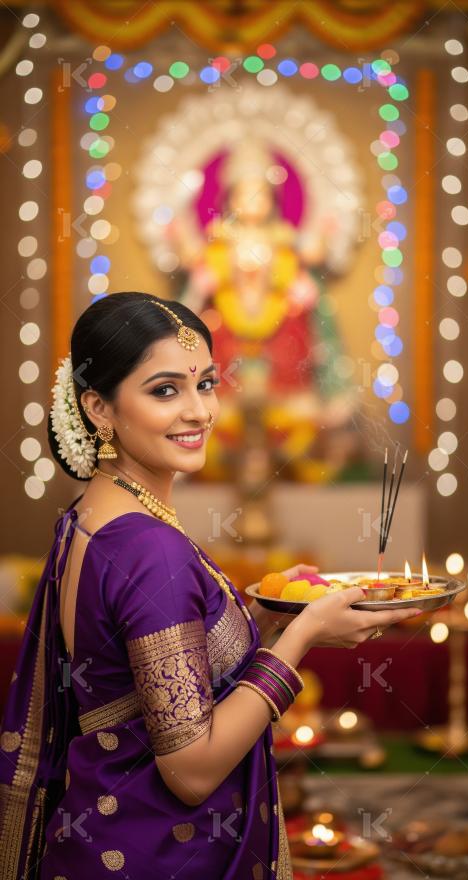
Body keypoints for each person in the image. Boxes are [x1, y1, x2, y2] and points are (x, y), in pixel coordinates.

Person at [0, 293, 422, 879]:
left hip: (104, 837)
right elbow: (193, 770)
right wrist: (299, 640)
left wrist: (272, 616)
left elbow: (136, 667)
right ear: (98, 407)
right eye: (165, 390)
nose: (199, 411)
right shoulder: (150, 547)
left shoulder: (89, 518)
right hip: (160, 855)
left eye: (206, 383)